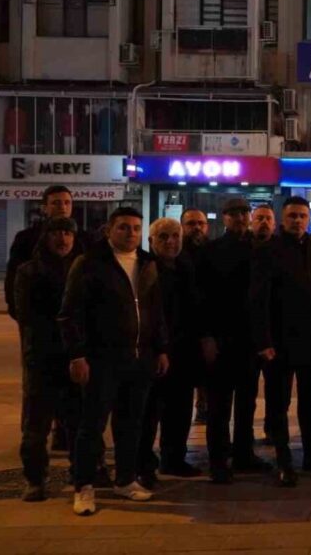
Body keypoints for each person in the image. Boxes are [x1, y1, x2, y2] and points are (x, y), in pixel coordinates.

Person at [59, 207, 170, 516]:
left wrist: (160, 349)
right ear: (109, 230)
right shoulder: (90, 263)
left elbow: (156, 311)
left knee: (131, 424)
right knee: (91, 426)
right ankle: (84, 486)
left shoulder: (148, 263)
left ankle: (125, 479)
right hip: (101, 359)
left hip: (140, 359)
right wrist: (77, 355)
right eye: (123, 227)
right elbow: (70, 313)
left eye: (136, 228)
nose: (130, 233)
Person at [252, 196, 311, 487]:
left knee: (309, 400)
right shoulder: (268, 251)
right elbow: (259, 300)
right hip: (280, 343)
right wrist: (264, 341)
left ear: (309, 218)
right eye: (292, 216)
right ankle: (284, 460)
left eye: (302, 216)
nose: (297, 220)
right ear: (282, 219)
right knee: (278, 403)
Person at [195, 198, 271, 484]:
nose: (240, 218)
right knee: (219, 404)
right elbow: (202, 299)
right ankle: (218, 460)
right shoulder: (211, 251)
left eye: (244, 213)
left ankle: (243, 453)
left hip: (250, 341)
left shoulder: (260, 249)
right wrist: (207, 336)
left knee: (247, 402)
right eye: (234, 214)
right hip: (222, 339)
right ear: (224, 218)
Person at [14, 217, 82, 502]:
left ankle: (84, 473)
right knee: (36, 426)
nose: (63, 239)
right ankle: (35, 478)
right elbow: (26, 316)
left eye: (67, 233)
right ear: (46, 237)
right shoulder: (29, 271)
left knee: (80, 422)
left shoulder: (82, 268)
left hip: (75, 358)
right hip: (42, 359)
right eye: (57, 233)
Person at [138, 219, 206, 489]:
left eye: (175, 236)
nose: (170, 241)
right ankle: (143, 465)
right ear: (152, 240)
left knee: (179, 409)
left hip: (184, 351)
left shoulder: (185, 266)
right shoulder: (146, 269)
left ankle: (174, 458)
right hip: (156, 352)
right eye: (163, 236)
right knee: (150, 412)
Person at [7, 186, 85, 319]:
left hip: (77, 318)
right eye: (56, 203)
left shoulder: (84, 238)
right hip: (39, 317)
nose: (63, 207)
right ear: (44, 207)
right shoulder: (26, 238)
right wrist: (17, 312)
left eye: (67, 203)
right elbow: (12, 277)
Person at [179, 207, 209, 425]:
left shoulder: (213, 252)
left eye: (200, 223)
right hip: (181, 325)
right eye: (191, 224)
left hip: (207, 323)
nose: (196, 227)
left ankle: (203, 407)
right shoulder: (175, 253)